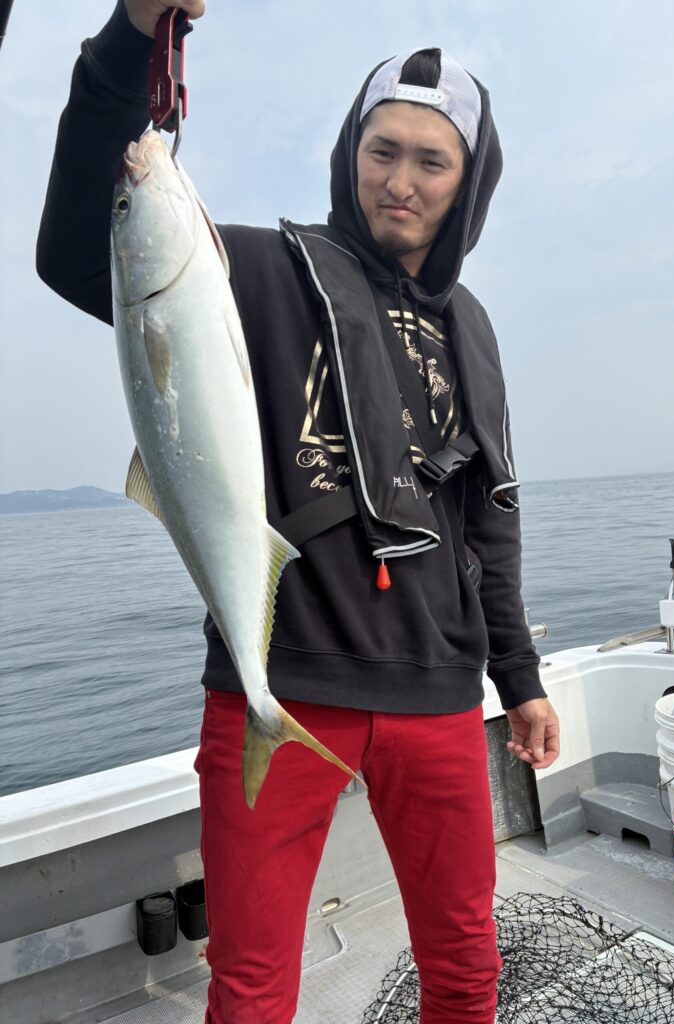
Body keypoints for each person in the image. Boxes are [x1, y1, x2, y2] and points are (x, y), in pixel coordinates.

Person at [37, 2, 560, 1022]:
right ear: (349, 151)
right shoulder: (257, 271)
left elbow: (489, 522)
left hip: (439, 692)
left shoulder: (472, 328)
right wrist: (132, 37)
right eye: (381, 150)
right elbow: (74, 253)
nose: (400, 180)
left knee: (465, 968)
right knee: (250, 987)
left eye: (431, 162)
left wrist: (522, 679)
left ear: (467, 183)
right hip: (276, 680)